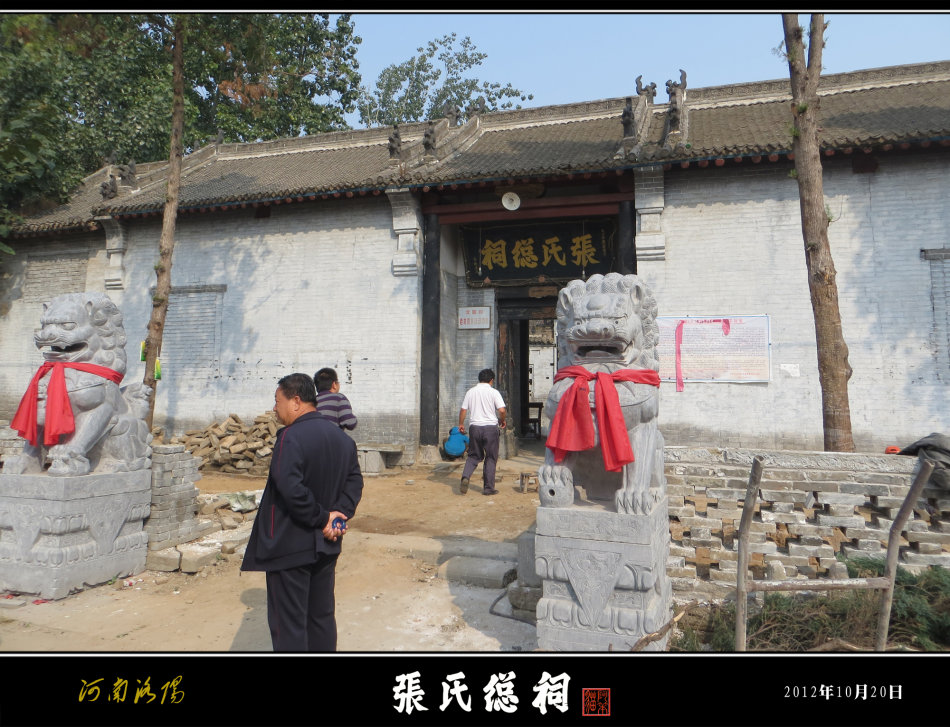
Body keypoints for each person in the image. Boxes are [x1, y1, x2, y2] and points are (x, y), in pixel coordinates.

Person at [241, 373, 363, 652]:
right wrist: (338, 516)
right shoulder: (342, 440)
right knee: (321, 617)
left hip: (290, 545)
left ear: (296, 401)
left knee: (289, 625)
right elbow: (355, 481)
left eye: (278, 401)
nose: (275, 408)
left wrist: (322, 518)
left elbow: (290, 488)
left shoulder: (290, 438)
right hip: (328, 543)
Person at [457, 368, 507, 495]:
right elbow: (501, 410)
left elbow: (463, 410)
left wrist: (461, 424)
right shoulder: (494, 392)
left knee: (474, 456)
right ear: (491, 380)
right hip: (490, 428)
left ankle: (466, 476)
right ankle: (488, 488)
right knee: (490, 458)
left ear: (479, 379)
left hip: (475, 428)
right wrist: (502, 420)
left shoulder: (470, 392)